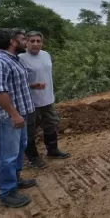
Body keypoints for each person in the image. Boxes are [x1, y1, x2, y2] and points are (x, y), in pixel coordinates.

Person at [0, 28, 42, 208]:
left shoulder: (11, 60)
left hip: (19, 114)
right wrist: (14, 115)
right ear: (13, 42)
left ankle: (15, 181)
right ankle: (7, 192)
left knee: (17, 150)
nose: (26, 41)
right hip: (8, 117)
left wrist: (32, 85)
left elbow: (13, 84)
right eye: (23, 39)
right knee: (7, 155)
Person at [19, 30, 70, 169]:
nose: (36, 44)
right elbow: (17, 82)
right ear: (26, 43)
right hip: (30, 103)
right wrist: (32, 85)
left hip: (47, 99)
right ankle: (33, 158)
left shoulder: (46, 55)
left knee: (51, 125)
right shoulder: (20, 58)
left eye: (38, 41)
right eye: (32, 41)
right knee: (30, 131)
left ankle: (52, 151)